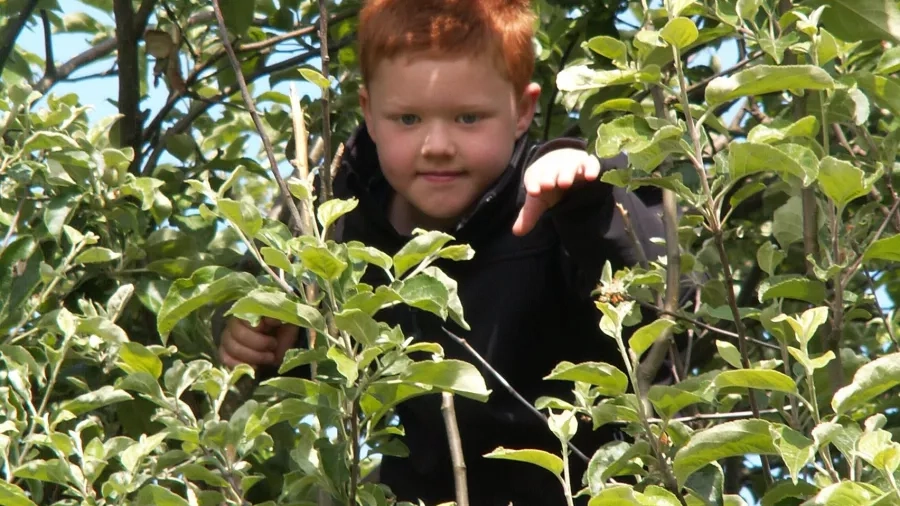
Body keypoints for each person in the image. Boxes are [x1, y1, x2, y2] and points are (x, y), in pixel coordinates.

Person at [216, 0, 666, 503]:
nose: (436, 144)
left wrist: (588, 202)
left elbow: (666, 311)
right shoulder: (341, 214)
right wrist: (247, 337)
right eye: (408, 118)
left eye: (467, 118)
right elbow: (280, 322)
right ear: (368, 112)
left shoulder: (555, 198)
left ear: (522, 111)